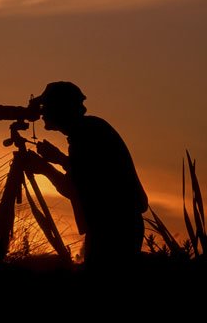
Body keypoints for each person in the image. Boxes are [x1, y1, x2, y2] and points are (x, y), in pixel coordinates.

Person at [24, 81, 148, 267]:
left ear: (60, 109)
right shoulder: (91, 129)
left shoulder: (86, 135)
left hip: (113, 229)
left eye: (47, 106)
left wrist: (45, 168)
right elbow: (89, 174)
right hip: (118, 225)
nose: (43, 112)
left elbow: (76, 188)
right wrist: (58, 159)